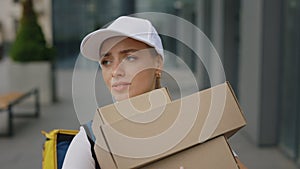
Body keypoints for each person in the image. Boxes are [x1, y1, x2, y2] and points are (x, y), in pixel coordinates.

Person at [62, 16, 247, 169]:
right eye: (106, 62)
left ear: (157, 63)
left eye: (130, 57)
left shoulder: (194, 123)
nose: (116, 71)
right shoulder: (90, 141)